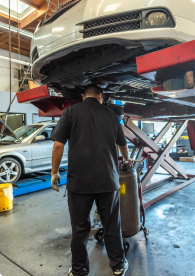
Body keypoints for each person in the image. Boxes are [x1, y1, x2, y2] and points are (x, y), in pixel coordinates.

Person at [50, 84, 130, 276]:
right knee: (112, 225)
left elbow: (58, 146)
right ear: (100, 96)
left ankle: (79, 271)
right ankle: (118, 266)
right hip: (107, 181)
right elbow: (123, 144)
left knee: (79, 229)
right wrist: (126, 160)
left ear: (83, 96)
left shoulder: (70, 112)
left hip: (80, 182)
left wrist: (54, 173)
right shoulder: (112, 116)